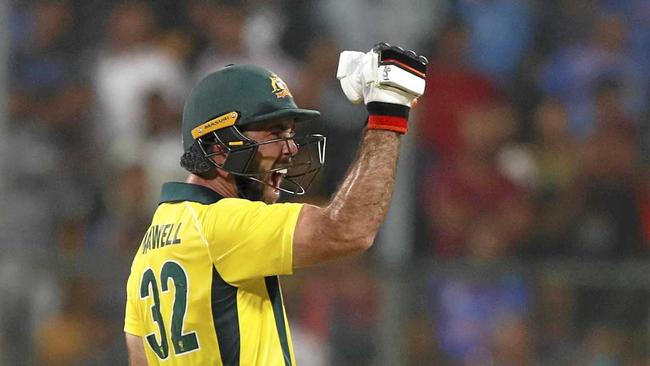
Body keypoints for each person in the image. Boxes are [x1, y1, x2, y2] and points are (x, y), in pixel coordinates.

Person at [123, 43, 428, 365]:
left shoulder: (149, 249)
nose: (292, 148)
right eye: (274, 132)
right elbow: (348, 231)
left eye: (291, 132)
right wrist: (388, 116)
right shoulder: (221, 224)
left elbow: (139, 359)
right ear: (218, 148)